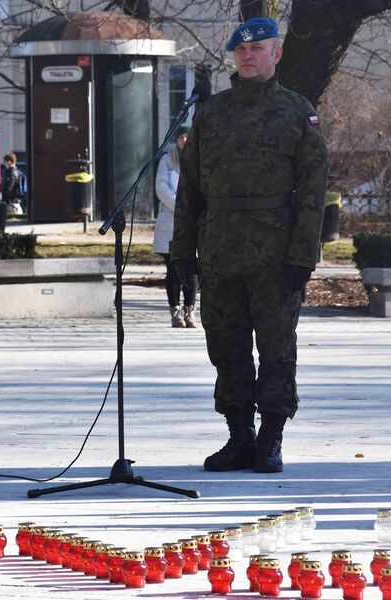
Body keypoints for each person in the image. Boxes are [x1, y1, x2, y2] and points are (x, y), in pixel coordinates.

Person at [171, 17, 328, 473]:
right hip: (219, 251)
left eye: (258, 48)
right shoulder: (210, 114)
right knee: (226, 347)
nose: (248, 55)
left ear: (276, 54)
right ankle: (240, 436)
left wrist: (304, 255)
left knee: (277, 348)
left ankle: (271, 438)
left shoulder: (298, 112)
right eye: (241, 50)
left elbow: (313, 191)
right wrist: (182, 250)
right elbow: (190, 190)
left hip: (275, 256)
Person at [153, 124, 196, 328]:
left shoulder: (198, 159)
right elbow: (161, 188)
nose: (184, 141)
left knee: (191, 269)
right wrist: (179, 205)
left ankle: (190, 310)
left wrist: (191, 207)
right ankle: (175, 311)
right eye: (181, 138)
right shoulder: (167, 160)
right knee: (173, 269)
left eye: (188, 137)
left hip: (192, 222)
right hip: (170, 221)